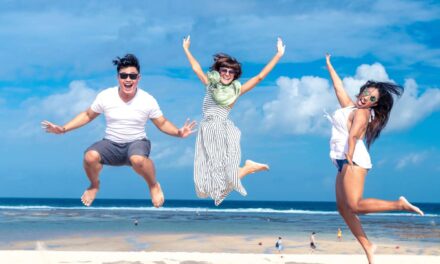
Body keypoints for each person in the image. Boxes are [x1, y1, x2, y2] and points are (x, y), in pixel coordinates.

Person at [42, 54, 196, 208]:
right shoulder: (106, 96)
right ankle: (94, 185)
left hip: (137, 143)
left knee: (138, 159)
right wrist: (63, 129)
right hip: (111, 144)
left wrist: (178, 132)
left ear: (138, 78)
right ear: (118, 77)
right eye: (124, 76)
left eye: (132, 76)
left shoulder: (147, 99)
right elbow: (88, 115)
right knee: (89, 157)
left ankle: (153, 185)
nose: (128, 79)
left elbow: (162, 123)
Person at [325, 54, 424, 264]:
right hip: (344, 160)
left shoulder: (363, 113)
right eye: (366, 94)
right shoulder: (352, 108)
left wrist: (349, 155)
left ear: (375, 104)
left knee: (355, 205)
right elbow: (339, 88)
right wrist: (329, 66)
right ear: (362, 91)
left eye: (372, 99)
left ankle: (399, 205)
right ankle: (368, 247)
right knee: (343, 209)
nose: (366, 99)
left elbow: (353, 135)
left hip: (354, 159)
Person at [182, 35, 285, 205]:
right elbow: (196, 68)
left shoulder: (236, 91)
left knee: (219, 182)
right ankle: (247, 168)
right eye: (224, 70)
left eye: (231, 72)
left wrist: (278, 55)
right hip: (206, 130)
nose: (227, 74)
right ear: (219, 71)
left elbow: (259, 77)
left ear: (235, 75)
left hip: (220, 129)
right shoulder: (211, 84)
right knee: (202, 189)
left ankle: (247, 168)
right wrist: (186, 49)